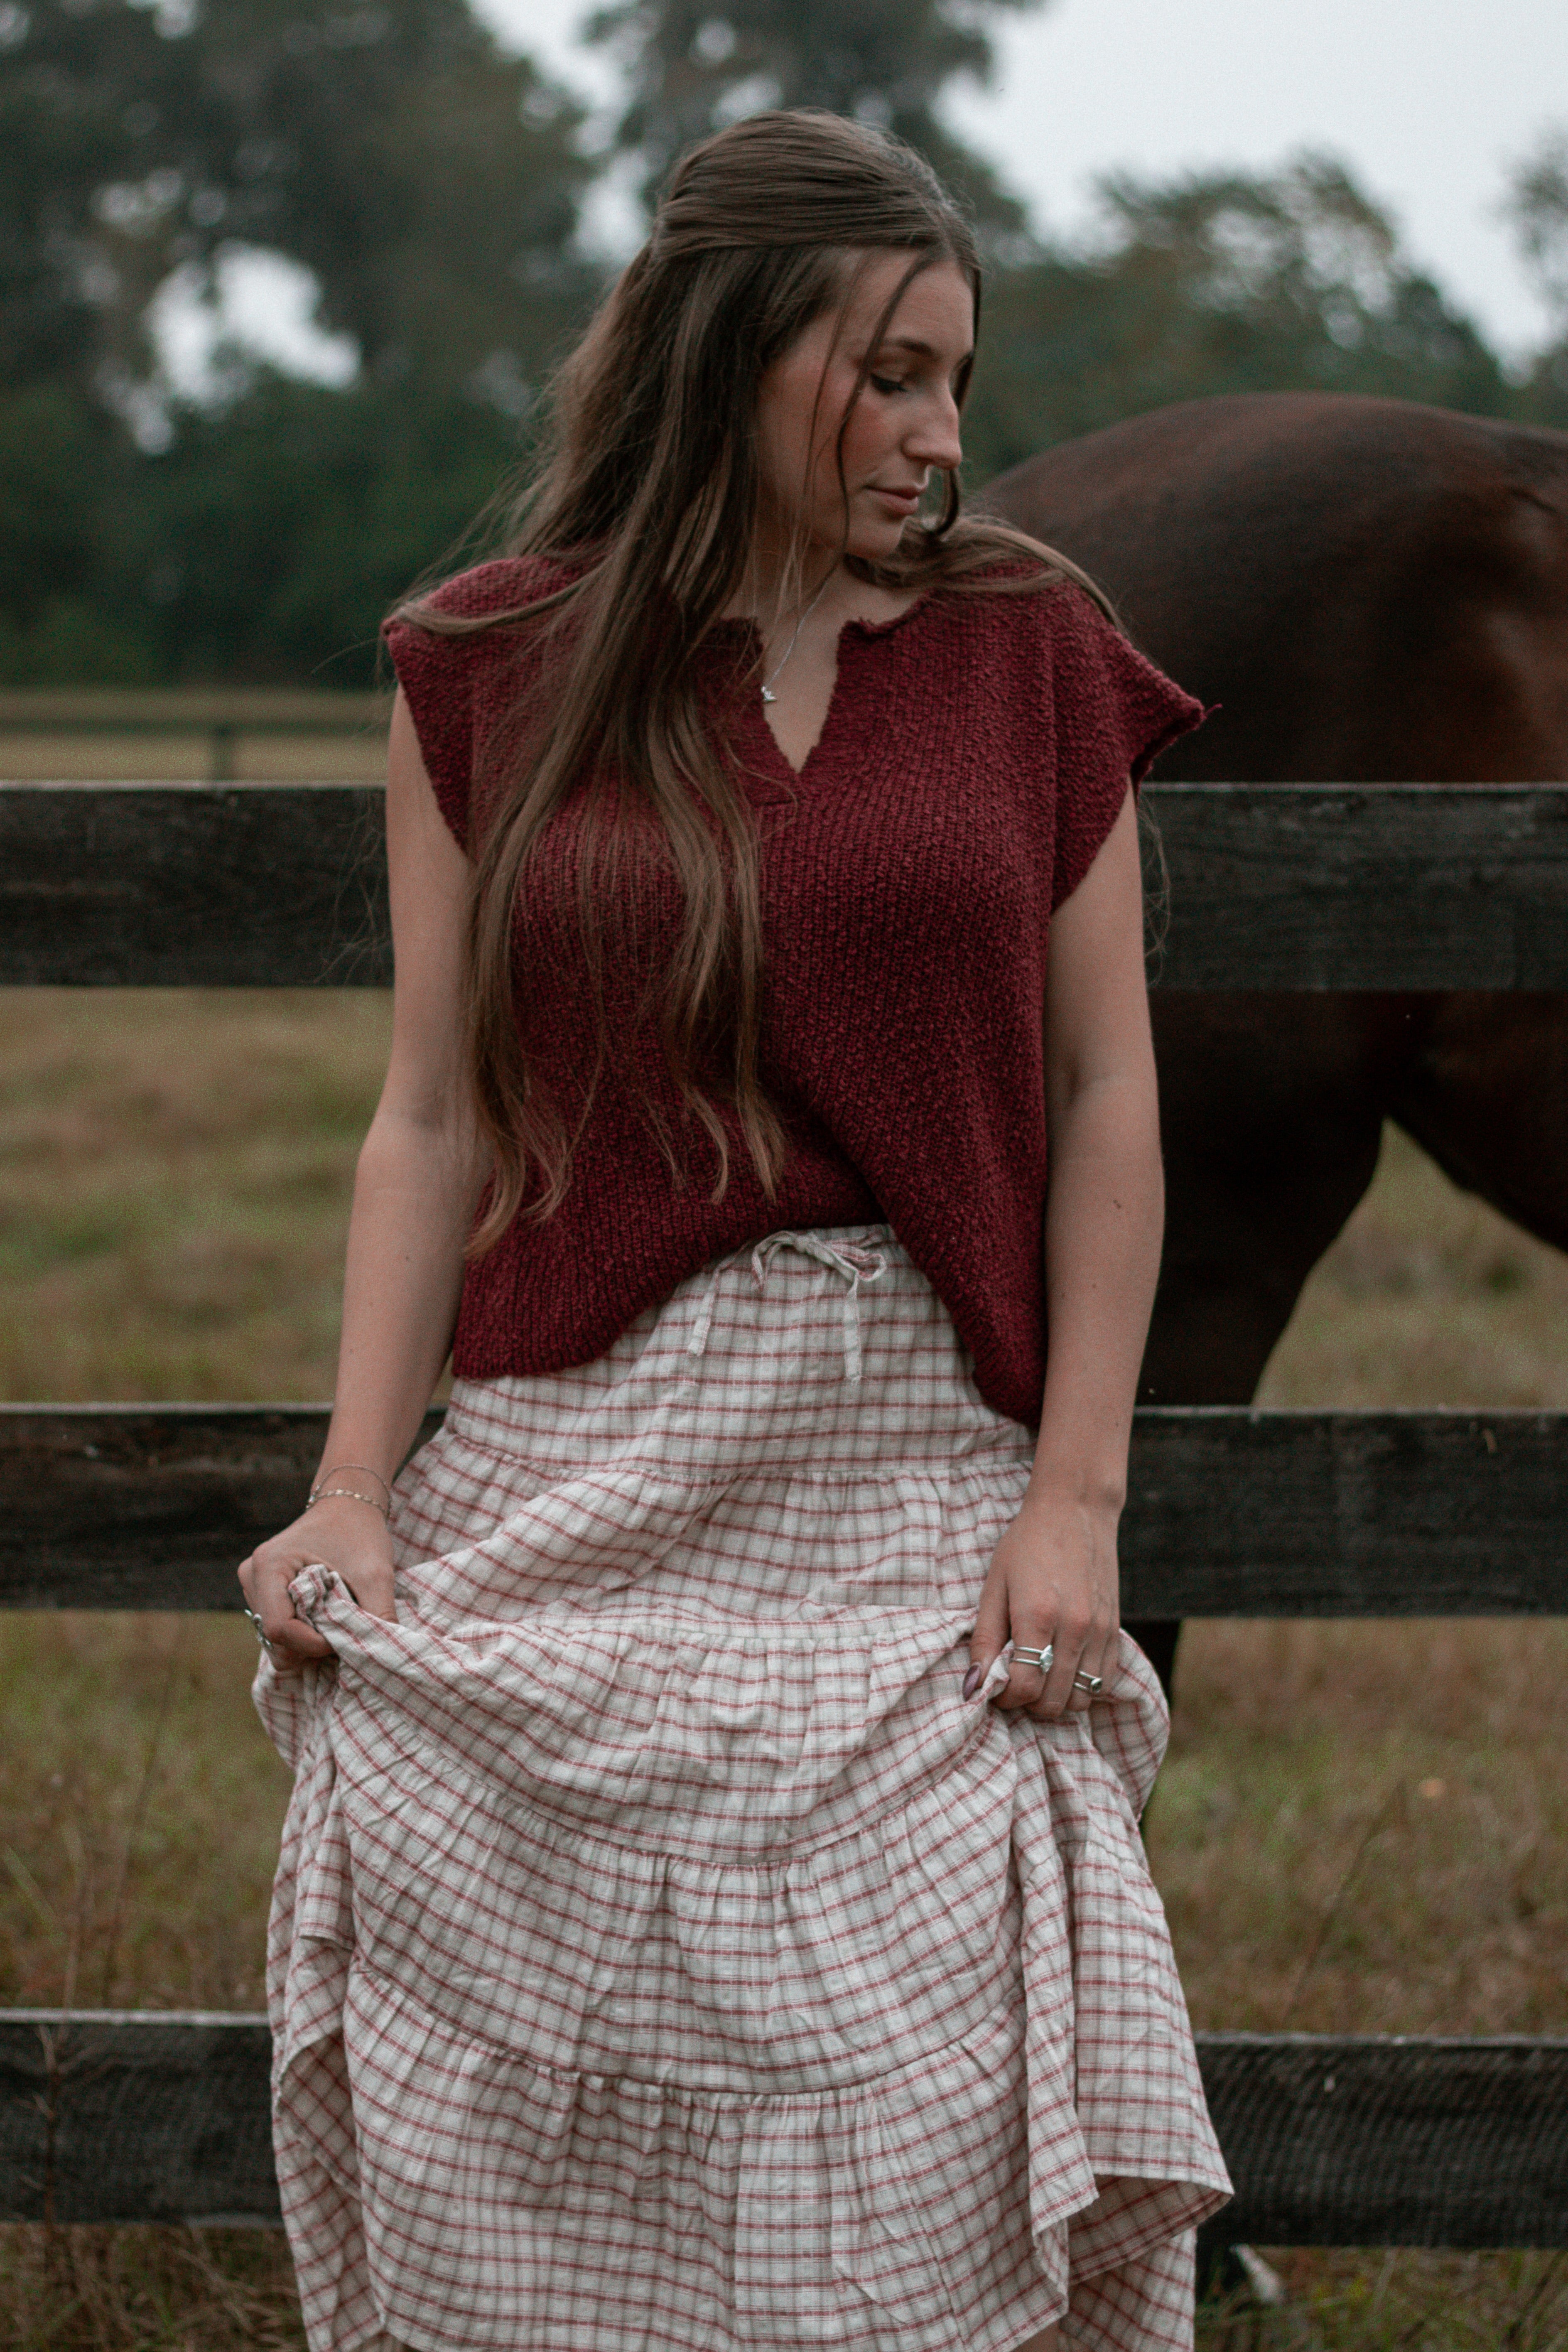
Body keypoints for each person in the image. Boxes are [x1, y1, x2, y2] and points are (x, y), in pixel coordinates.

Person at [239, 107, 1229, 2352]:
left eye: (958, 381)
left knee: (908, 2009)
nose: (937, 434)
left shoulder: (1031, 659)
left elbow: (1107, 1095)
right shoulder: (489, 669)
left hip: (906, 1459)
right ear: (724, 347)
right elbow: (429, 1114)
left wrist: (1079, 1499)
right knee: (470, 1893)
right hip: (575, 1444)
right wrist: (351, 1488)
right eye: (887, 373)